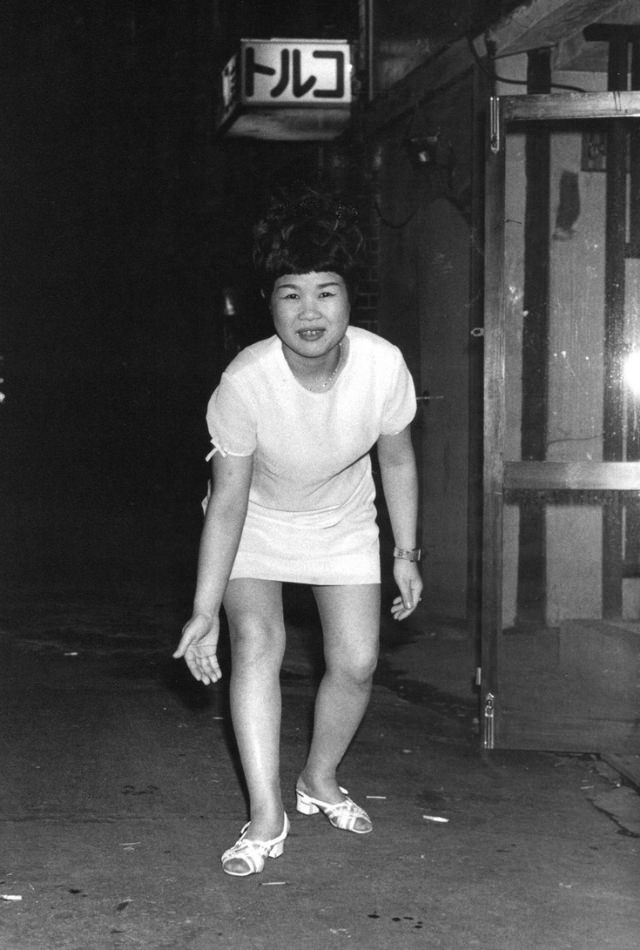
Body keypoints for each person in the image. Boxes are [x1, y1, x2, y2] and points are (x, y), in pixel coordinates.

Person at [173, 186, 423, 877]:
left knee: (357, 663)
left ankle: (318, 778)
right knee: (257, 640)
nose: (309, 311)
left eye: (326, 292)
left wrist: (404, 551)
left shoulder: (382, 366)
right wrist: (203, 610)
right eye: (290, 294)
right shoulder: (245, 382)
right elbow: (227, 501)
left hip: (342, 521)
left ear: (350, 299)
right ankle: (264, 814)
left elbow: (397, 456)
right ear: (270, 303)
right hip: (255, 522)